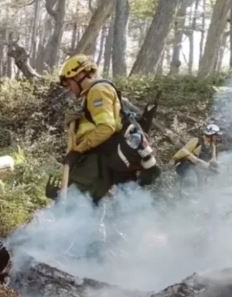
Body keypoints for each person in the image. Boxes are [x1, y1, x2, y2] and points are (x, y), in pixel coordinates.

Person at [55, 54, 159, 203]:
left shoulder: (98, 91)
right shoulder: (92, 93)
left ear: (79, 76)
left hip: (100, 156)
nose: (69, 89)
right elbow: (95, 124)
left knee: (76, 201)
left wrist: (78, 150)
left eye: (69, 83)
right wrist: (76, 123)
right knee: (81, 201)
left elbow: (106, 127)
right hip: (97, 156)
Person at [169, 123, 223, 188]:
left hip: (199, 169)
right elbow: (183, 151)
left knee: (211, 180)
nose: (217, 137)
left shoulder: (212, 146)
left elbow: (213, 160)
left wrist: (217, 166)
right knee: (192, 179)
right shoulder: (196, 141)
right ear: (211, 135)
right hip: (186, 166)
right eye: (216, 135)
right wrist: (172, 161)